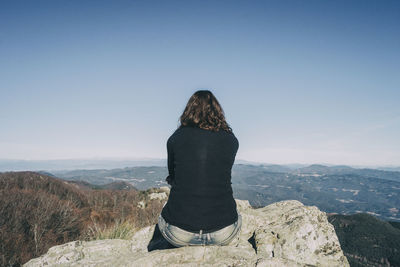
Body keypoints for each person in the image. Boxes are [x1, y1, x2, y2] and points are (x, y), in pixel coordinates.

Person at [155, 90, 241, 248]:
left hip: (179, 232)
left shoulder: (175, 139)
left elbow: (172, 176)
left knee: (162, 217)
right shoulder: (231, 141)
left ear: (188, 111)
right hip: (223, 231)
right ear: (218, 111)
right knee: (238, 217)